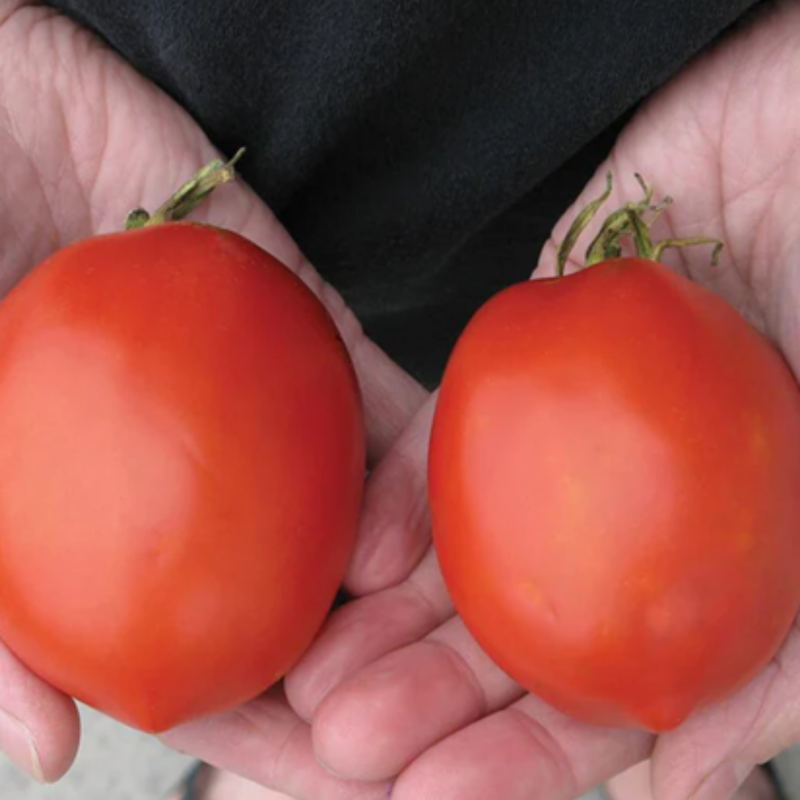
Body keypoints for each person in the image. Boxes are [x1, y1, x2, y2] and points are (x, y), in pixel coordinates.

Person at [0, 0, 797, 799]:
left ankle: (658, 758)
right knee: (363, 515)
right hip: (186, 120)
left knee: (375, 513)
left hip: (678, 112)